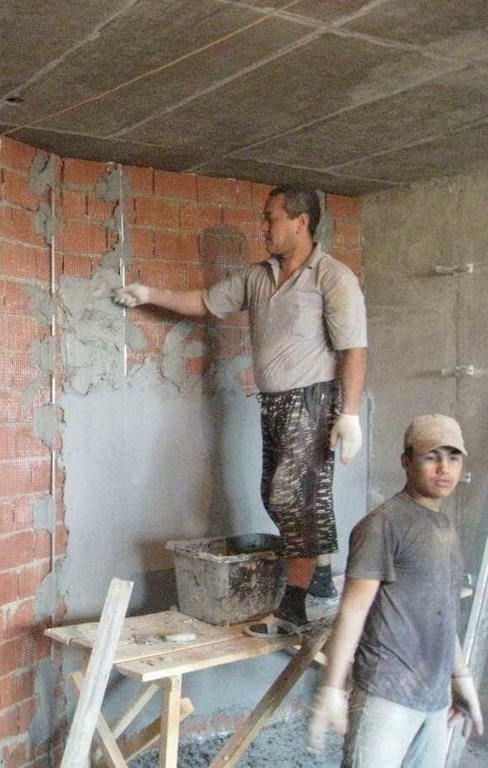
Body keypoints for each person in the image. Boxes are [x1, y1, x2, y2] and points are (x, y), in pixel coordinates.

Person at [113, 184, 367, 635]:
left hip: (313, 399)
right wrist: (146, 293)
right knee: (276, 495)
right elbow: (204, 302)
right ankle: (321, 575)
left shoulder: (332, 276)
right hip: (274, 402)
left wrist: (349, 414)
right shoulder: (258, 277)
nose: (263, 226)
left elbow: (353, 349)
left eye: (271, 217)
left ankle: (294, 606)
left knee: (295, 498)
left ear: (301, 222)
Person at [308, 414, 483, 767]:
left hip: (433, 699)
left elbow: (442, 613)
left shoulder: (445, 528)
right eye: (431, 457)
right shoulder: (383, 525)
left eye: (453, 457)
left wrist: (460, 677)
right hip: (386, 694)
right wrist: (331, 687)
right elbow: (353, 611)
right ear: (406, 461)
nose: (444, 468)